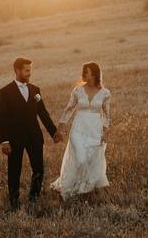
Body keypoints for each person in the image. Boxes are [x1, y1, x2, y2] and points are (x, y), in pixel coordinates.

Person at [0, 57, 63, 210]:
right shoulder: (5, 92)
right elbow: (2, 118)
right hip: (14, 139)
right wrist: (4, 140)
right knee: (14, 170)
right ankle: (14, 202)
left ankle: (34, 198)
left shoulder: (35, 90)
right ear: (17, 71)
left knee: (39, 168)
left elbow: (43, 113)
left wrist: (53, 132)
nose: (29, 73)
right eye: (26, 70)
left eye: (30, 70)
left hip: (34, 137)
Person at [50, 61, 111, 201]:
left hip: (95, 131)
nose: (84, 75)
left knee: (91, 160)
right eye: (83, 72)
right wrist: (60, 129)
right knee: (81, 158)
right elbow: (68, 110)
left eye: (87, 72)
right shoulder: (77, 91)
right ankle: (72, 188)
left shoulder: (105, 93)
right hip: (78, 130)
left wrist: (105, 133)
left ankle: (86, 188)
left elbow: (107, 116)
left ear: (95, 74)